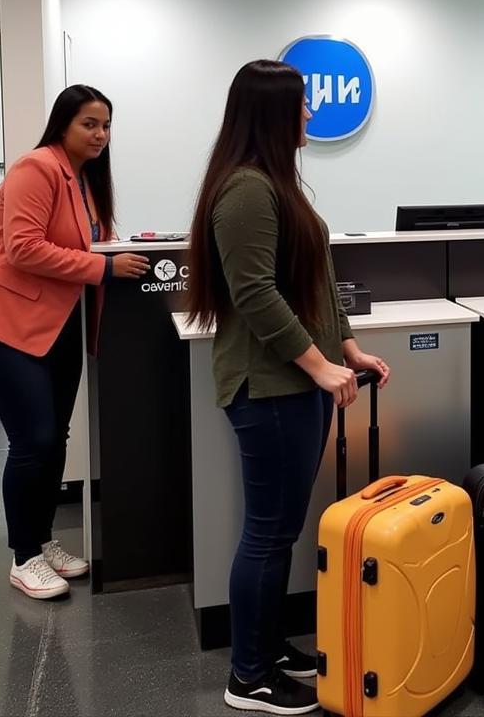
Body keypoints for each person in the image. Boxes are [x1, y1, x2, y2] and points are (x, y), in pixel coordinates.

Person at [185, 59, 391, 716]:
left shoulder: (276, 183)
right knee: (269, 532)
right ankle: (248, 676)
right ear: (273, 113)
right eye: (301, 105)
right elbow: (254, 294)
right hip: (268, 386)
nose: (309, 114)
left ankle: (267, 647)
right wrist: (317, 365)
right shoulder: (246, 189)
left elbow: (317, 282)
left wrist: (348, 349)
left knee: (281, 530)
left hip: (293, 382)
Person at [0, 85, 151, 600]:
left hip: (58, 324)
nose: (101, 135)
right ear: (63, 123)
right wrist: (102, 268)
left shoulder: (83, 180)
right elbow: (23, 249)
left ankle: (41, 541)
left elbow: (79, 243)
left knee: (54, 439)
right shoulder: (35, 168)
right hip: (5, 325)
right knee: (34, 441)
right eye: (90, 124)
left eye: (107, 126)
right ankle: (23, 557)